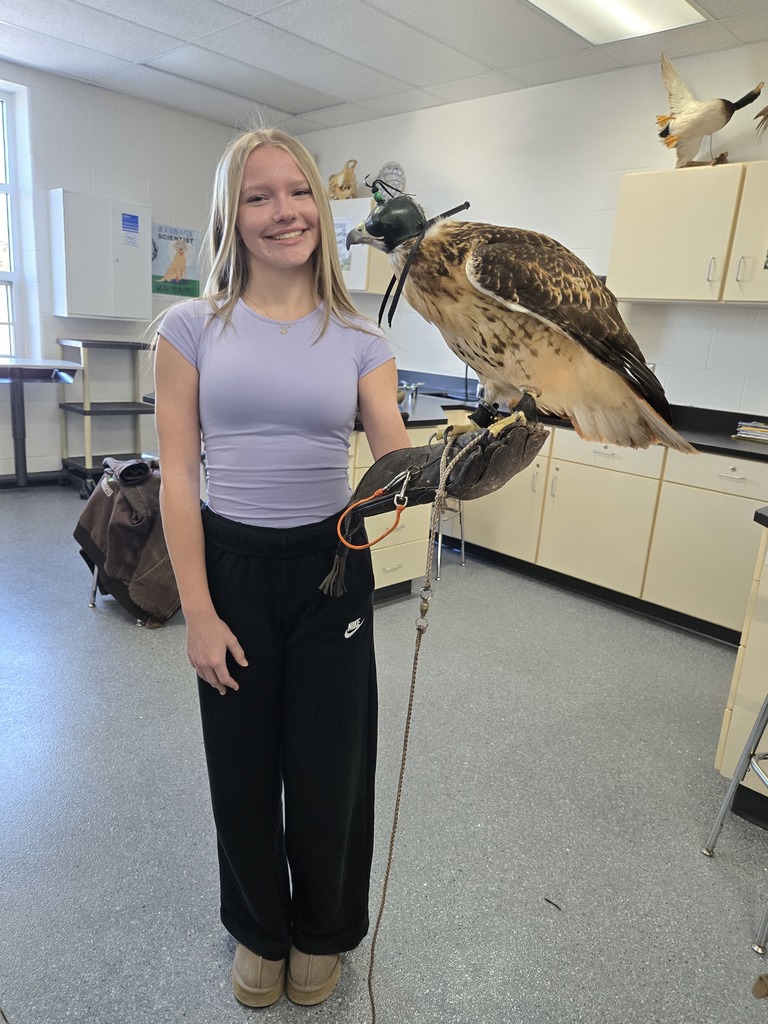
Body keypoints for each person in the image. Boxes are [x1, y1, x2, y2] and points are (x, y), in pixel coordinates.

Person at [153, 126, 411, 1008]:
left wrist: (436, 477)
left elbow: (392, 460)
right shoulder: (190, 328)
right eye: (258, 197)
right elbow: (179, 478)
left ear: (320, 207)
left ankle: (325, 931)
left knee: (330, 763)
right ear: (233, 215)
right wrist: (196, 609)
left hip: (329, 565)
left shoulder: (357, 334)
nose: (283, 212)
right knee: (242, 761)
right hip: (230, 563)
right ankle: (260, 929)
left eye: (296, 192)